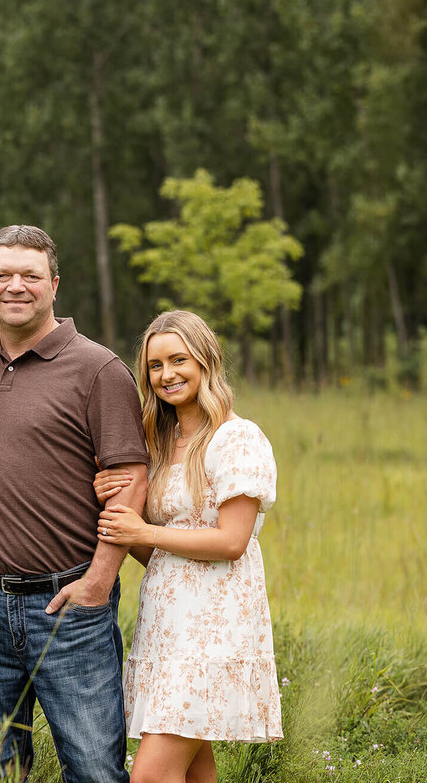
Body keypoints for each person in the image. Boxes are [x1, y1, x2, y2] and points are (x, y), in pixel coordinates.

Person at [0, 225, 149, 782]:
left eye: (30, 276)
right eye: (3, 275)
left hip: (70, 604)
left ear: (54, 285)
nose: (17, 286)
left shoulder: (98, 369)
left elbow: (130, 480)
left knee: (92, 770)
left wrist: (98, 582)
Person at [93, 310, 282, 783]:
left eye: (179, 360)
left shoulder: (235, 438)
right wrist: (123, 522)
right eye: (155, 366)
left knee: (151, 776)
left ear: (206, 361)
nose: (167, 374)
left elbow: (232, 541)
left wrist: (144, 530)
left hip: (213, 627)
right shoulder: (161, 442)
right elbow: (159, 556)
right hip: (166, 625)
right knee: (194, 773)